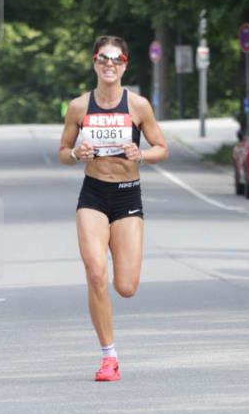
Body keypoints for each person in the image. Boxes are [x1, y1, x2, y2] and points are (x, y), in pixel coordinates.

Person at [59, 36, 169, 381]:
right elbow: (63, 151)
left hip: (127, 195)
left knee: (126, 287)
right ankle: (109, 357)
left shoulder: (137, 106)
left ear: (125, 64)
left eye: (116, 59)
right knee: (95, 274)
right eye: (103, 58)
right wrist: (77, 153)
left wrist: (142, 154)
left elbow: (162, 147)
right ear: (94, 62)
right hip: (92, 195)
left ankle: (110, 351)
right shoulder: (79, 107)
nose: (110, 64)